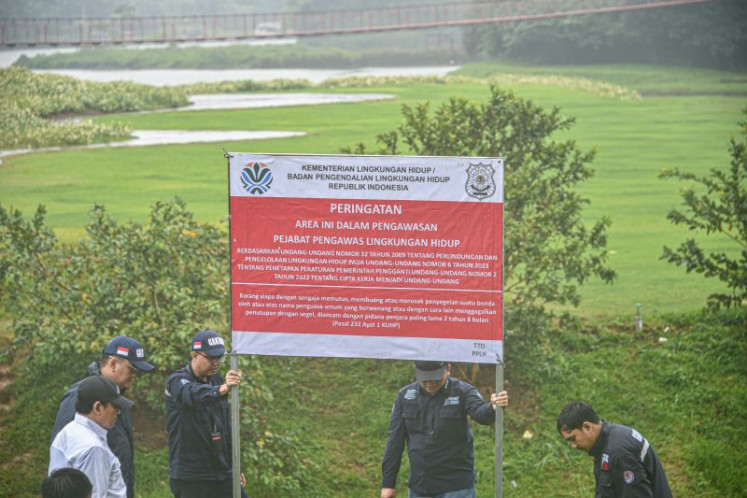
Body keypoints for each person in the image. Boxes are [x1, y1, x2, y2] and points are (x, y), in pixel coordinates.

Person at [381, 361, 509, 498]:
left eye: (435, 377)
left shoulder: (463, 391)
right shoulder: (405, 396)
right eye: (425, 378)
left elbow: (480, 413)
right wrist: (388, 484)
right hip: (419, 487)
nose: (430, 383)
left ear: (448, 369)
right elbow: (394, 442)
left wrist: (492, 407)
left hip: (455, 488)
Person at [51, 336, 155, 498]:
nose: (135, 376)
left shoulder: (118, 397)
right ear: (113, 364)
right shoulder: (78, 396)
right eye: (132, 369)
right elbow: (64, 459)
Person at [165, 329, 248, 498]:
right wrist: (221, 389)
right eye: (211, 358)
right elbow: (192, 395)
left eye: (220, 358)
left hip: (222, 472)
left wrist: (235, 466)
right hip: (192, 477)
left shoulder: (216, 380)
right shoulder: (177, 381)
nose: (216, 363)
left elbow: (226, 426)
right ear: (195, 355)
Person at [556, 401, 672, 498]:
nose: (573, 445)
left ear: (587, 427)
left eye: (573, 438)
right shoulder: (611, 441)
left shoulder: (618, 452)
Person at [49, 375, 132, 498]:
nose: (118, 411)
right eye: (115, 406)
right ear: (98, 407)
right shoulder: (93, 448)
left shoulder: (68, 432)